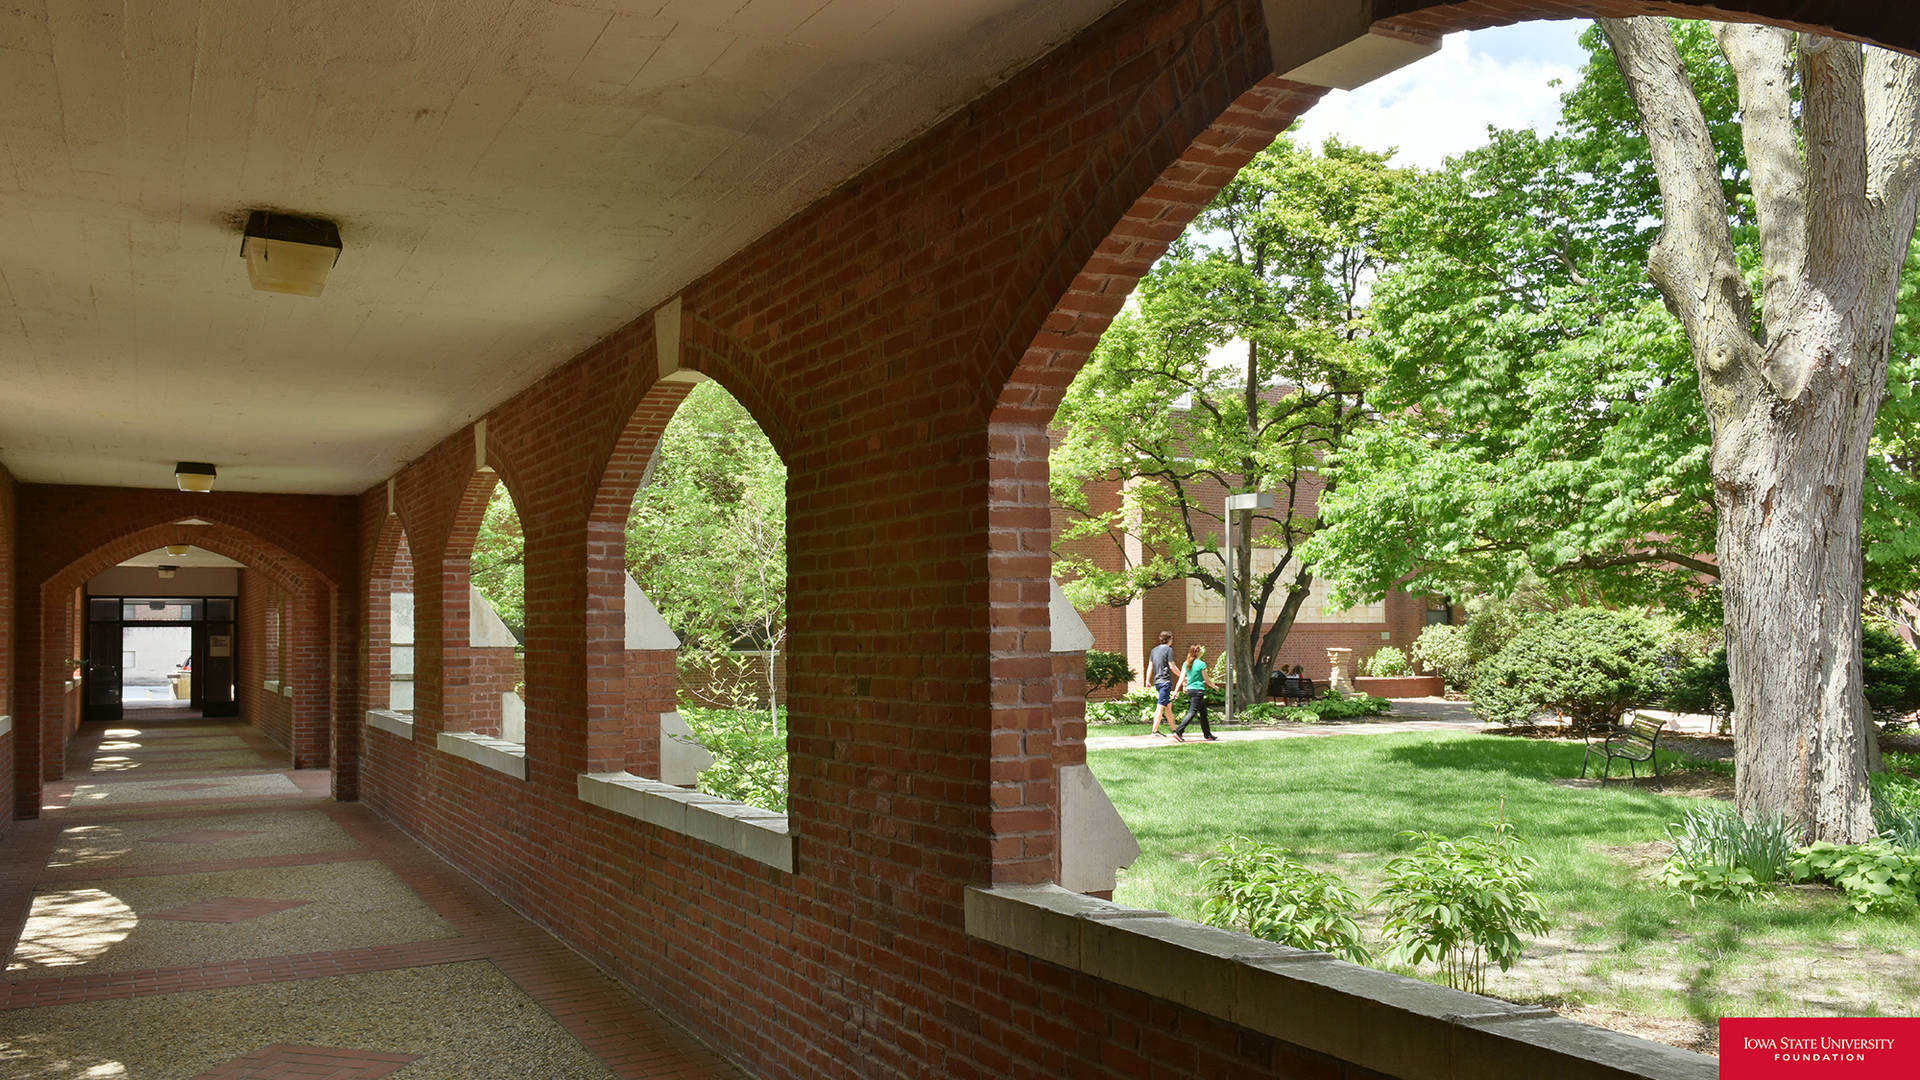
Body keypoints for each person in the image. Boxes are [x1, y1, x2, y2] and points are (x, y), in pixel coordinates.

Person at [1173, 644, 1218, 743]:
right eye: (1201, 650)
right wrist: (1214, 686)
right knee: (1192, 712)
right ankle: (1178, 732)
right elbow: (1206, 680)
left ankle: (1208, 734)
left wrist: (1176, 691)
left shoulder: (1186, 663)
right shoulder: (1201, 664)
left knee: (1203, 713)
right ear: (1198, 653)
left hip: (1191, 690)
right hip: (1198, 691)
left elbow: (1181, 678)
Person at [1146, 630, 1176, 736]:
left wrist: (1147, 680)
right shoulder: (1169, 650)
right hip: (1165, 682)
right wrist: (1183, 675)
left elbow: (1150, 666)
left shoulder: (1154, 650)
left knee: (1168, 706)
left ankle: (1175, 730)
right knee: (1160, 706)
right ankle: (1155, 730)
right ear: (1169, 639)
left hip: (1157, 682)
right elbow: (1172, 666)